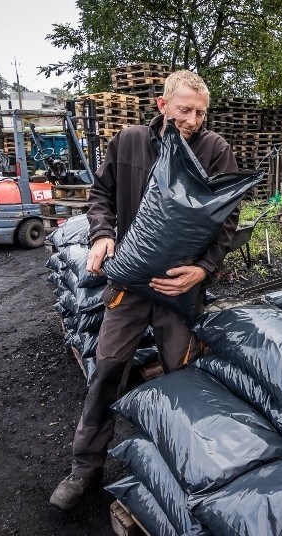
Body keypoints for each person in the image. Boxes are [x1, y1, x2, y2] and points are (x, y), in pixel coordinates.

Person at [50, 70, 239, 510]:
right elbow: (101, 194)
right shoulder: (130, 142)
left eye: (200, 112)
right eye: (184, 110)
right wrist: (101, 234)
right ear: (162, 105)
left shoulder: (214, 150)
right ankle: (84, 470)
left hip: (178, 288)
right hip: (130, 284)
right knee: (108, 370)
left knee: (182, 376)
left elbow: (227, 219)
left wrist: (204, 270)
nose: (193, 120)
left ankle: (183, 468)